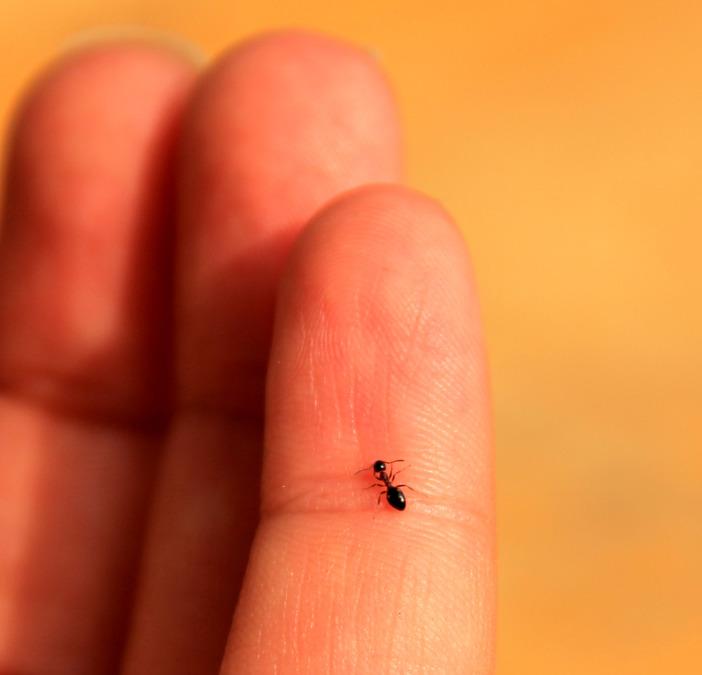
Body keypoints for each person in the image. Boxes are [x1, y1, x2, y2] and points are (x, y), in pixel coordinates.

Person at [0, 29, 495, 673]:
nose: (386, 480)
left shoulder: (384, 483)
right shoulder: (386, 481)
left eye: (385, 479)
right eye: (387, 479)